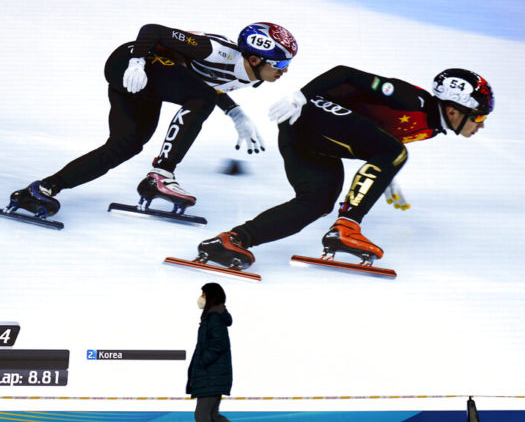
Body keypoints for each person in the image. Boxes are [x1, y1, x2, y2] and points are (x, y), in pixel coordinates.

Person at [196, 65, 495, 269]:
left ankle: (232, 240)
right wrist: (301, 96)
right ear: (454, 109)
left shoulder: (431, 128)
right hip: (309, 113)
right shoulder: (412, 100)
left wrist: (385, 170)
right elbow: (346, 74)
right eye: (479, 117)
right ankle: (347, 228)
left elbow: (374, 138)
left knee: (316, 203)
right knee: (394, 151)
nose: (480, 125)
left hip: (311, 137)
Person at [6, 22, 298, 219]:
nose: (284, 71)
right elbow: (153, 30)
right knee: (201, 98)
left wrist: (236, 114)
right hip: (132, 61)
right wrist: (137, 63)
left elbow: (206, 89)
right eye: (280, 64)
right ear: (256, 59)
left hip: (150, 78)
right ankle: (162, 175)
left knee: (127, 144)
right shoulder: (215, 50)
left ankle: (41, 190)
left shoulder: (249, 75)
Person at [183, 282, 260, 422]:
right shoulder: (212, 317)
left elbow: (218, 345)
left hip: (211, 375)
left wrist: (202, 363)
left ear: (211, 296)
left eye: (203, 294)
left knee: (202, 415)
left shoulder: (215, 318)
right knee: (212, 416)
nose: (200, 298)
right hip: (211, 375)